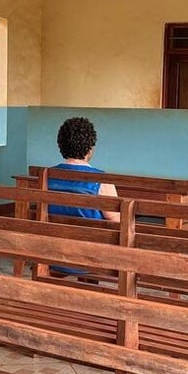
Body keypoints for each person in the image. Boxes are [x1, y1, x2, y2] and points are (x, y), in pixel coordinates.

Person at [45, 117, 119, 280]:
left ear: (61, 146)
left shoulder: (47, 177)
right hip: (91, 258)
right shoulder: (102, 180)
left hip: (52, 254)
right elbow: (115, 221)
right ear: (90, 148)